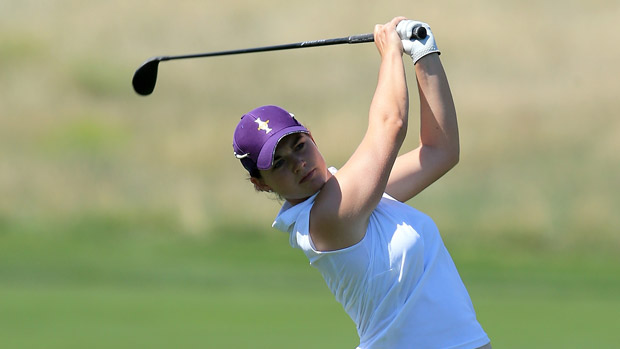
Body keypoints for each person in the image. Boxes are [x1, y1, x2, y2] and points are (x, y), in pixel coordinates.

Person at [232, 16, 491, 349]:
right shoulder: (326, 218)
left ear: (311, 137)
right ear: (261, 183)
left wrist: (424, 52)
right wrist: (390, 52)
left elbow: (440, 152)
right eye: (279, 163)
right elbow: (391, 123)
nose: (298, 164)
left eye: (299, 146)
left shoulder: (359, 196)